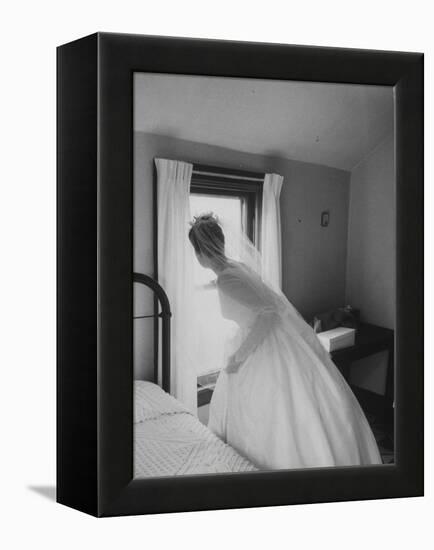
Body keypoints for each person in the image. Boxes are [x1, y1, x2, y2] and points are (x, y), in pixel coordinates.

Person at [188, 213, 382, 470]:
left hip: (262, 343)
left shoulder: (228, 278)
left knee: (274, 408)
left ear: (201, 252)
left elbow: (266, 315)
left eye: (195, 251)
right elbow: (254, 295)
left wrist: (240, 356)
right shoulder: (234, 267)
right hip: (273, 337)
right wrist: (210, 286)